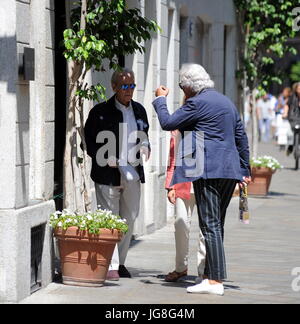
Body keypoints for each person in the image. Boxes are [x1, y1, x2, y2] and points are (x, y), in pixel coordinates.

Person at [152, 63, 251, 296]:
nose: (181, 90)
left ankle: (215, 281)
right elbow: (241, 137)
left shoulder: (197, 102)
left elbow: (168, 123)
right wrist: (245, 170)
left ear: (188, 85)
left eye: (181, 86)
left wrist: (160, 100)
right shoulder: (227, 103)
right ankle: (209, 275)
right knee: (217, 223)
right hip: (230, 170)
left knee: (210, 224)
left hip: (208, 169)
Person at [84, 68, 150, 280]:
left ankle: (121, 262)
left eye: (132, 86)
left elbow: (144, 134)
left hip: (132, 171)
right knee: (110, 217)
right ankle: (110, 265)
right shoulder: (99, 112)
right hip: (107, 173)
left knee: (129, 218)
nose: (129, 90)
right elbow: (90, 142)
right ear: (114, 87)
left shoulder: (139, 110)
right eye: (125, 86)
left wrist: (146, 146)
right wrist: (104, 158)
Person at [164, 129, 206, 283]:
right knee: (180, 224)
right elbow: (173, 157)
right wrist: (170, 185)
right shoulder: (179, 127)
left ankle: (203, 272)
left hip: (205, 184)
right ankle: (181, 267)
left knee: (205, 230)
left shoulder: (209, 123)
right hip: (183, 183)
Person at [283, 82, 300, 155]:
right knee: (292, 133)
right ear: (296, 89)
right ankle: (291, 146)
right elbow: (287, 105)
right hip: (293, 117)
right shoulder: (292, 97)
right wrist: (285, 113)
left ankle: (293, 146)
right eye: (299, 88)